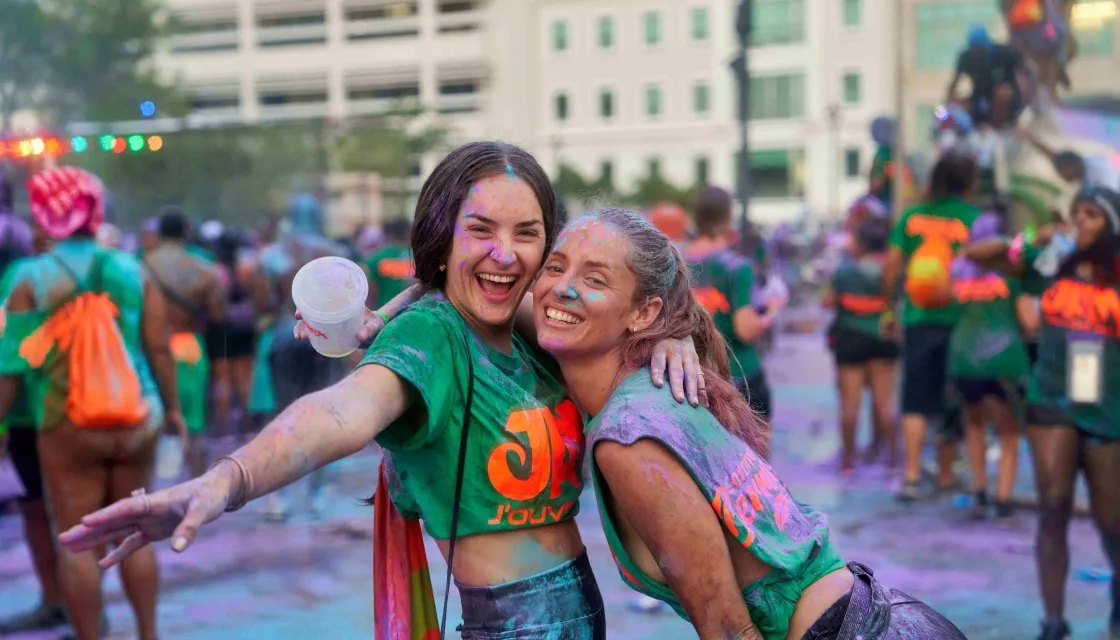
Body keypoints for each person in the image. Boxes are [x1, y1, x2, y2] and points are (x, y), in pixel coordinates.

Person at [59, 142, 700, 639]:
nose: (505, 254)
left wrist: (665, 341)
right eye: (481, 229)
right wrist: (225, 482)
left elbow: (632, 318)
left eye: (526, 233)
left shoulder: (531, 328)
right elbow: (342, 409)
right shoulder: (432, 336)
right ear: (441, 238)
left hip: (582, 616)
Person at [534, 208, 967, 639]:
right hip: (878, 616)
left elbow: (729, 629)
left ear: (644, 313)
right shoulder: (653, 387)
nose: (562, 288)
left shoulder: (629, 437)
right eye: (554, 267)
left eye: (595, 279)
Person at [0, 166, 183, 640]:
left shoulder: (28, 278)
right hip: (139, 416)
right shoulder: (132, 268)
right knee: (138, 532)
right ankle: (148, 634)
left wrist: (0, 426)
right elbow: (159, 348)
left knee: (77, 541)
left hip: (66, 423)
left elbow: (11, 367)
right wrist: (177, 412)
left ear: (42, 217)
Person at [962, 186, 1120, 640]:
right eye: (1076, 213)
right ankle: (1054, 621)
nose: (1081, 222)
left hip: (1108, 407)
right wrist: (1035, 237)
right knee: (1053, 507)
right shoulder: (1050, 264)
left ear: (1111, 222)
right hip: (1052, 399)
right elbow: (978, 253)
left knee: (1113, 522)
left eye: (1091, 214)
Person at [884, 152, 983, 500]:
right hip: (961, 321)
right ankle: (944, 475)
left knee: (914, 397)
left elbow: (893, 264)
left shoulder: (912, 217)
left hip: (918, 319)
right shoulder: (973, 219)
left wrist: (887, 311)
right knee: (950, 398)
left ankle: (911, 476)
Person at [0, 169, 67, 635]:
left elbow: (11, 362)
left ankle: (56, 600)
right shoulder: (39, 256)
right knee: (66, 506)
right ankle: (78, 605)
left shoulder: (15, 268)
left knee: (38, 509)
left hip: (23, 408)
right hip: (68, 404)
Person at [948, 213, 1035, 520]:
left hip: (964, 360)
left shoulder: (958, 273)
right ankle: (1003, 498)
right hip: (1005, 363)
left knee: (973, 426)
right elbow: (1030, 322)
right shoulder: (1013, 278)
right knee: (1009, 433)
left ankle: (980, 492)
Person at [143, 207, 227, 478]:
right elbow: (218, 313)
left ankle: (157, 489)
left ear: (158, 233)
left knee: (153, 421)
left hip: (148, 349)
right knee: (193, 424)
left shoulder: (141, 265)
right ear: (186, 231)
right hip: (189, 346)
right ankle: (197, 487)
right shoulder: (203, 268)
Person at [685, 186, 778, 421]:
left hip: (692, 379)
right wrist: (772, 312)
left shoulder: (676, 261)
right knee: (752, 457)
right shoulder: (737, 267)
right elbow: (745, 330)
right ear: (728, 216)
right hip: (739, 376)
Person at [824, 217, 899, 473]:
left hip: (850, 339)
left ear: (862, 243)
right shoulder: (891, 272)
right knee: (884, 402)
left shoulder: (844, 271)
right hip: (884, 337)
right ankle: (892, 459)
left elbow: (828, 301)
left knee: (850, 404)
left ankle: (847, 461)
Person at [947, 25, 1027, 130]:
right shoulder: (966, 57)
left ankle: (997, 127)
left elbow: (1025, 71)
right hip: (979, 100)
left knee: (1002, 92)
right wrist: (948, 102)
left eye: (980, 49)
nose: (978, 53)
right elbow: (954, 83)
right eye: (975, 50)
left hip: (1004, 106)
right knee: (940, 109)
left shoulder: (1004, 53)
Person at [364, 218, 415, 308]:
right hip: (411, 313)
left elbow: (371, 290)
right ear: (408, 232)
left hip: (384, 314)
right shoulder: (418, 256)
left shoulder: (378, 257)